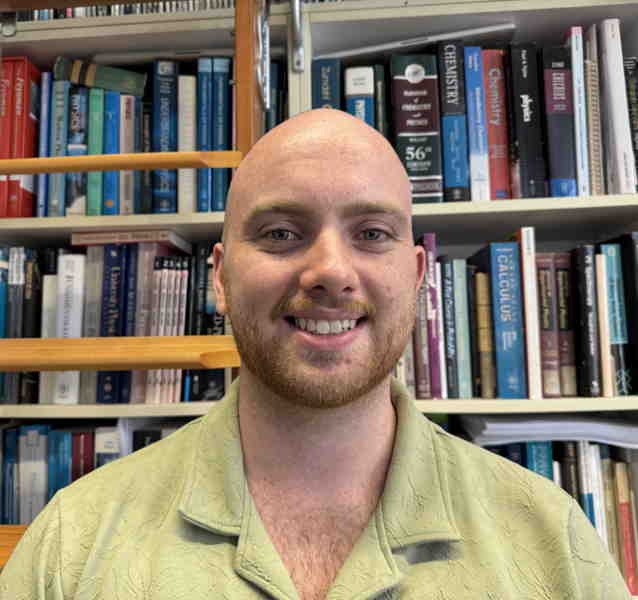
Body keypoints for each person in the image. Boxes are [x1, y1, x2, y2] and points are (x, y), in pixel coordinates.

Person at [0, 109, 630, 600]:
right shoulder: (74, 540)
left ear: (417, 276)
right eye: (280, 233)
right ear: (219, 278)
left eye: (372, 234)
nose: (331, 271)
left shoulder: (552, 539)